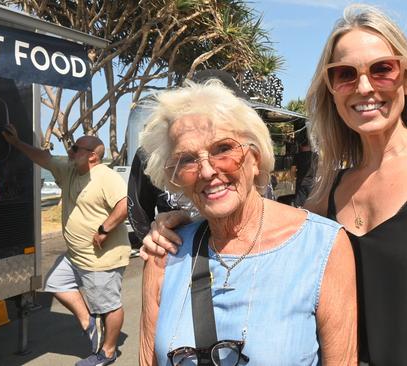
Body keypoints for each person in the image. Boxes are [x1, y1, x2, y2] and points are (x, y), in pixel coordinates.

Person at [143, 4, 407, 365]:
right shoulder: (328, 195)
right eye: (344, 74)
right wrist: (179, 222)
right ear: (331, 89)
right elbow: (259, 229)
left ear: (406, 79)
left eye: (382, 69)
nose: (363, 87)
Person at [138, 81, 357, 365]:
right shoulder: (165, 253)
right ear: (174, 177)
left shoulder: (321, 247)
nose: (207, 170)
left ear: (255, 158)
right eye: (188, 160)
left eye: (223, 149)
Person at [1, 125, 129, 366]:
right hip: (75, 255)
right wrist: (17, 143)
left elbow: (124, 204)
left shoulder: (105, 176)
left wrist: (104, 229)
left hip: (100, 260)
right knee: (54, 284)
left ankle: (107, 352)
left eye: (75, 148)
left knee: (109, 306)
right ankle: (88, 323)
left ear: (92, 155)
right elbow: (44, 157)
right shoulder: (70, 169)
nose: (69, 151)